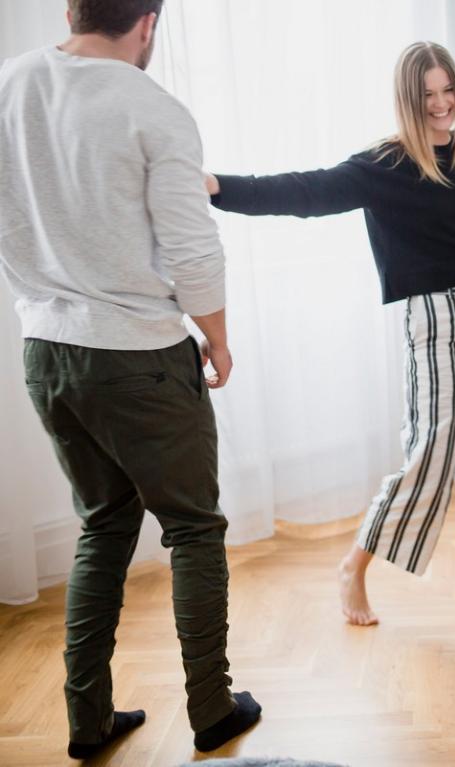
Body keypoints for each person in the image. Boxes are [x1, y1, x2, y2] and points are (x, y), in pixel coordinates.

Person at [206, 41, 455, 624]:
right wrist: (220, 186)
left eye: (448, 90)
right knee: (430, 452)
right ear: (407, 99)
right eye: (428, 94)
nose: (441, 104)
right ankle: (355, 566)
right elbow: (304, 191)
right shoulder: (385, 164)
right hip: (437, 319)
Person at [0, 0, 261, 758]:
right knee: (194, 527)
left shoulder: (9, 84)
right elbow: (192, 250)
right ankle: (212, 708)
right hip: (138, 356)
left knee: (103, 525)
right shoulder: (154, 108)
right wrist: (218, 340)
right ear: (148, 22)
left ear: (71, 8)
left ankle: (87, 722)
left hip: (47, 350)